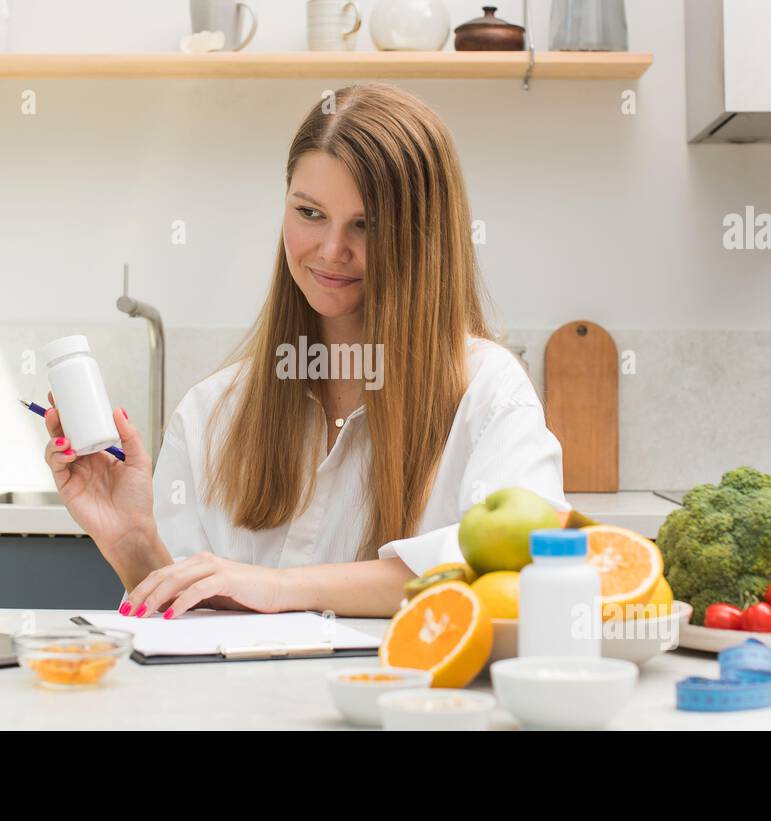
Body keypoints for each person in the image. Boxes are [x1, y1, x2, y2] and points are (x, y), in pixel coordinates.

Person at [43, 83, 565, 619]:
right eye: (310, 213)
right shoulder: (211, 413)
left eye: (366, 225)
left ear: (426, 237)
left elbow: (525, 569)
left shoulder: (489, 394)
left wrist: (281, 587)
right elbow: (194, 628)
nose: (332, 250)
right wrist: (132, 541)